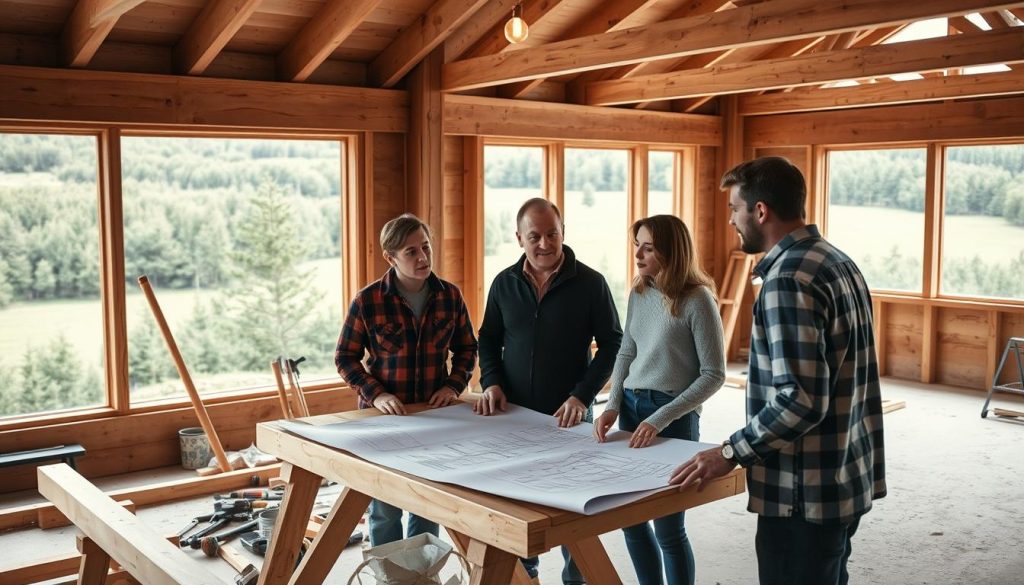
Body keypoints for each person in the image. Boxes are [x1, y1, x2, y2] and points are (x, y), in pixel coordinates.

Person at [670, 157, 887, 585]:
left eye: (734, 208)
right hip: (844, 478)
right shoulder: (837, 262)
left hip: (800, 496)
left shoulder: (787, 280)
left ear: (761, 211)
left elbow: (801, 399)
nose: (731, 219)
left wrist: (730, 452)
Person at [475, 197, 622, 584]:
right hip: (514, 418)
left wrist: (582, 395)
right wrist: (490, 381)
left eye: (552, 234)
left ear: (563, 232)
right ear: (519, 238)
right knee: (517, 506)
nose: (544, 244)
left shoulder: (591, 283)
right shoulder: (504, 283)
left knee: (577, 508)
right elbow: (488, 338)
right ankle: (527, 575)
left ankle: (577, 579)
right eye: (535, 236)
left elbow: (612, 344)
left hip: (569, 417)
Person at [593, 215, 725, 585]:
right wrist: (613, 404)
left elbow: (713, 375)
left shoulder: (698, 300)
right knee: (631, 522)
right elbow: (626, 353)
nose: (637, 253)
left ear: (671, 251)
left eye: (648, 247)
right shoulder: (639, 292)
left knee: (668, 529)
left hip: (674, 417)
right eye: (637, 243)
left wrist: (660, 418)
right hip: (632, 410)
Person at [335, 212, 477, 546]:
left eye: (425, 247)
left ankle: (421, 576)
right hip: (383, 420)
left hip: (434, 417)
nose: (423, 257)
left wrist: (453, 385)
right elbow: (345, 357)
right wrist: (376, 394)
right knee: (385, 508)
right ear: (391, 257)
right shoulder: (367, 301)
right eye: (411, 251)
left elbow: (467, 349)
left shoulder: (450, 296)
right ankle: (391, 579)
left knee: (427, 503)